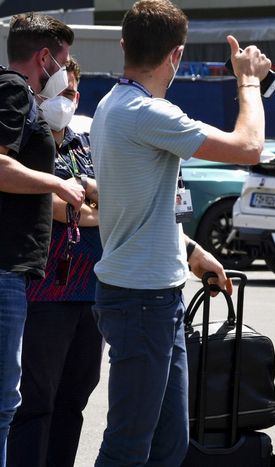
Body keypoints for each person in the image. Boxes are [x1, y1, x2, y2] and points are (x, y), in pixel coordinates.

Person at [89, 1, 270, 465]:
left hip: (152, 295)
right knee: (129, 445)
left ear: (125, 44)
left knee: (169, 445)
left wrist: (191, 251)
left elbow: (139, 205)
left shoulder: (118, 104)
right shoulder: (147, 113)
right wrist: (248, 80)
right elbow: (249, 148)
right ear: (176, 55)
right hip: (141, 301)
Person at [7, 57, 103, 467]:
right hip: (45, 294)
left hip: (89, 294)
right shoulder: (32, 143)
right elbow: (54, 207)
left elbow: (106, 203)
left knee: (74, 399)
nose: (70, 100)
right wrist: (88, 203)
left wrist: (87, 203)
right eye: (64, 91)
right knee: (35, 403)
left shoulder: (84, 146)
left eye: (75, 93)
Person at [0, 14, 84, 467]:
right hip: (6, 269)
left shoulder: (19, 95)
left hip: (15, 271)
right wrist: (57, 185)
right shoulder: (14, 90)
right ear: (45, 57)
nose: (65, 72)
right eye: (64, 60)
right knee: (5, 405)